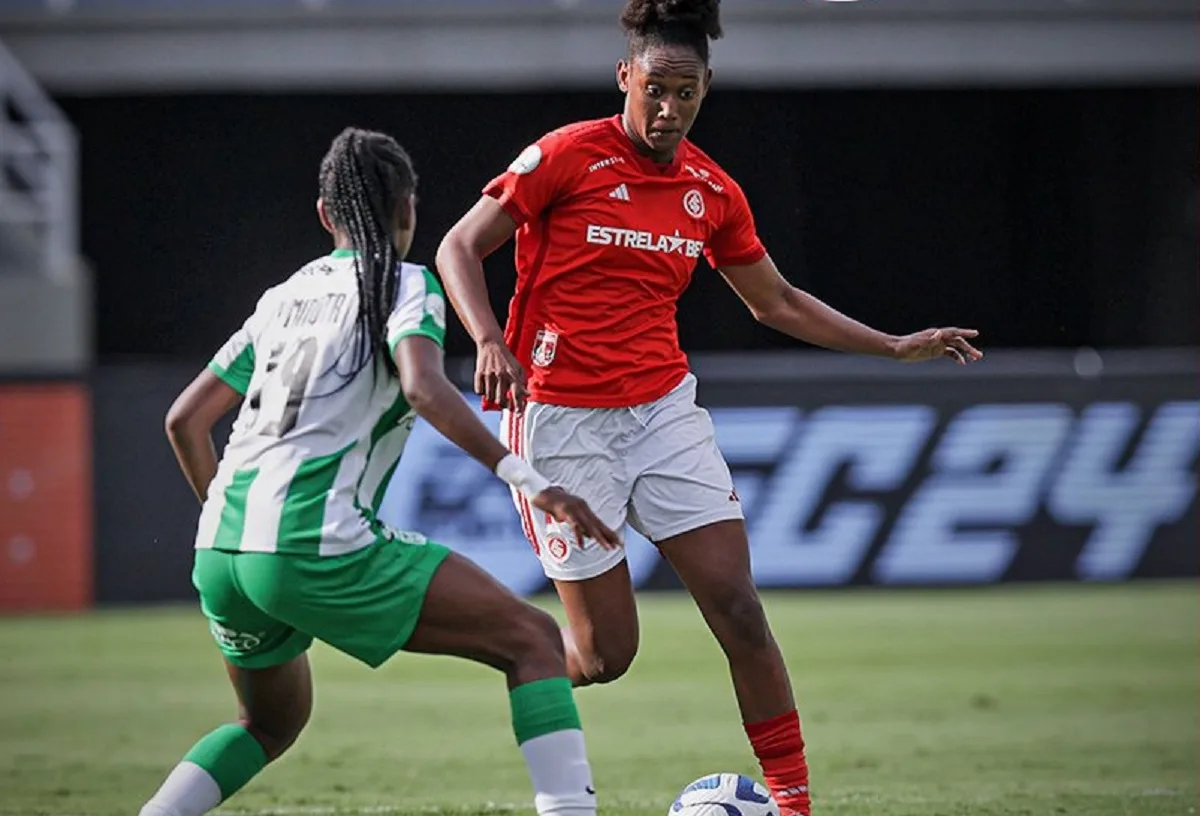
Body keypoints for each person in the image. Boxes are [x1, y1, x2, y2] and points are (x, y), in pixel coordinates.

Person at [434, 1, 985, 814]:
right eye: (655, 88)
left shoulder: (710, 189)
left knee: (738, 606)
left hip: (663, 413)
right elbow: (456, 246)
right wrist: (486, 337)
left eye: (686, 94)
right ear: (625, 76)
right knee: (606, 655)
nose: (667, 109)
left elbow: (779, 302)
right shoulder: (564, 157)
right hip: (560, 420)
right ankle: (526, 656)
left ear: (705, 89)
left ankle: (795, 806)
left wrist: (895, 344)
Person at [139, 127, 620, 816]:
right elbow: (424, 389)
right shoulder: (403, 284)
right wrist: (532, 480)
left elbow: (184, 420)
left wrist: (230, 520)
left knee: (269, 724)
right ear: (408, 210)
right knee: (536, 641)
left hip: (220, 548)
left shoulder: (283, 297)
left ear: (325, 215)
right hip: (313, 541)